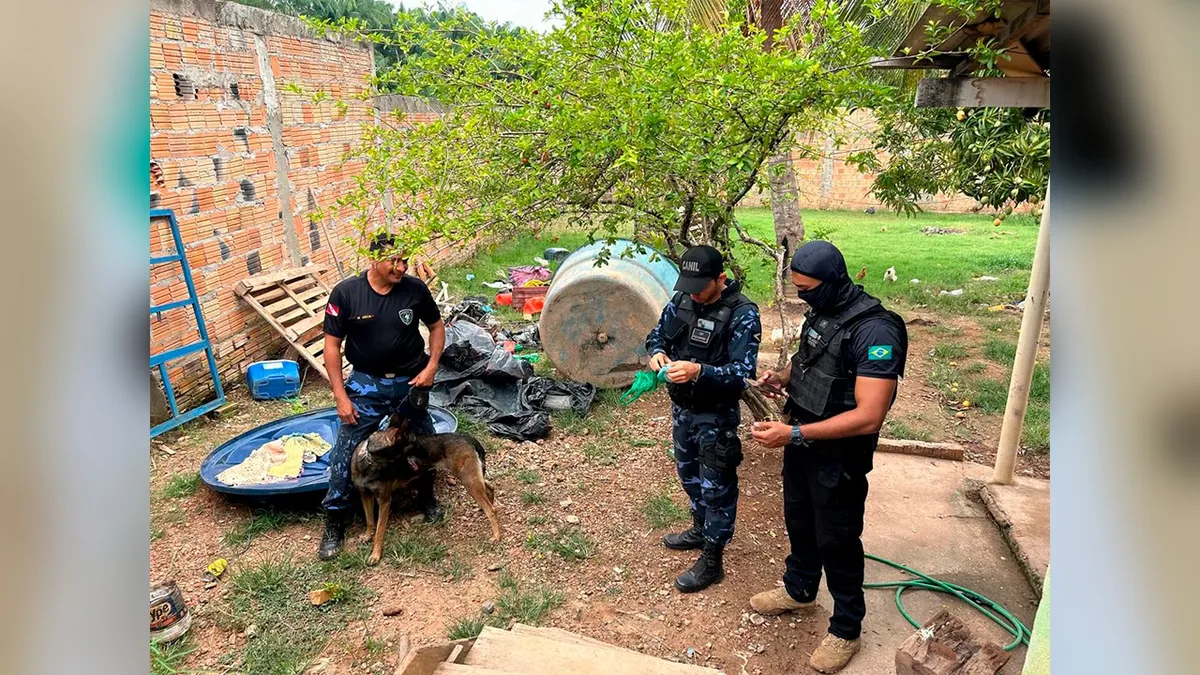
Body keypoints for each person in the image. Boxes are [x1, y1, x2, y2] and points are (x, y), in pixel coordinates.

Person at [748, 240, 908, 673]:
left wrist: (794, 433)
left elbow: (870, 415)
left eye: (808, 290)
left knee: (836, 539)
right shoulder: (824, 310)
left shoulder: (876, 331)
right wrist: (782, 377)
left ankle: (846, 628)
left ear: (834, 281)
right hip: (803, 439)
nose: (803, 298)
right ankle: (799, 590)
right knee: (799, 519)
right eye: (798, 289)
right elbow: (812, 360)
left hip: (840, 454)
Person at [317, 232, 446, 560]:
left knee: (425, 442)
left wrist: (431, 367)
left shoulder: (415, 289)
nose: (401, 267)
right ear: (373, 259)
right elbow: (331, 346)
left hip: (411, 383)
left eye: (405, 260)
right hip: (366, 385)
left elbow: (436, 326)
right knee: (346, 449)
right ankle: (335, 520)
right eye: (394, 260)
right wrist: (340, 396)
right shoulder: (347, 293)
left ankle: (426, 497)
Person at [644, 245, 761, 593]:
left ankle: (713, 558)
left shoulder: (742, 314)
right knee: (689, 475)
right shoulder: (683, 299)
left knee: (717, 487)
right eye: (689, 286)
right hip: (683, 409)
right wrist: (657, 353)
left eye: (700, 287)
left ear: (720, 278)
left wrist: (699, 371)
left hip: (716, 416)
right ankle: (699, 528)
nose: (693, 294)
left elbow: (743, 374)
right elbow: (657, 335)